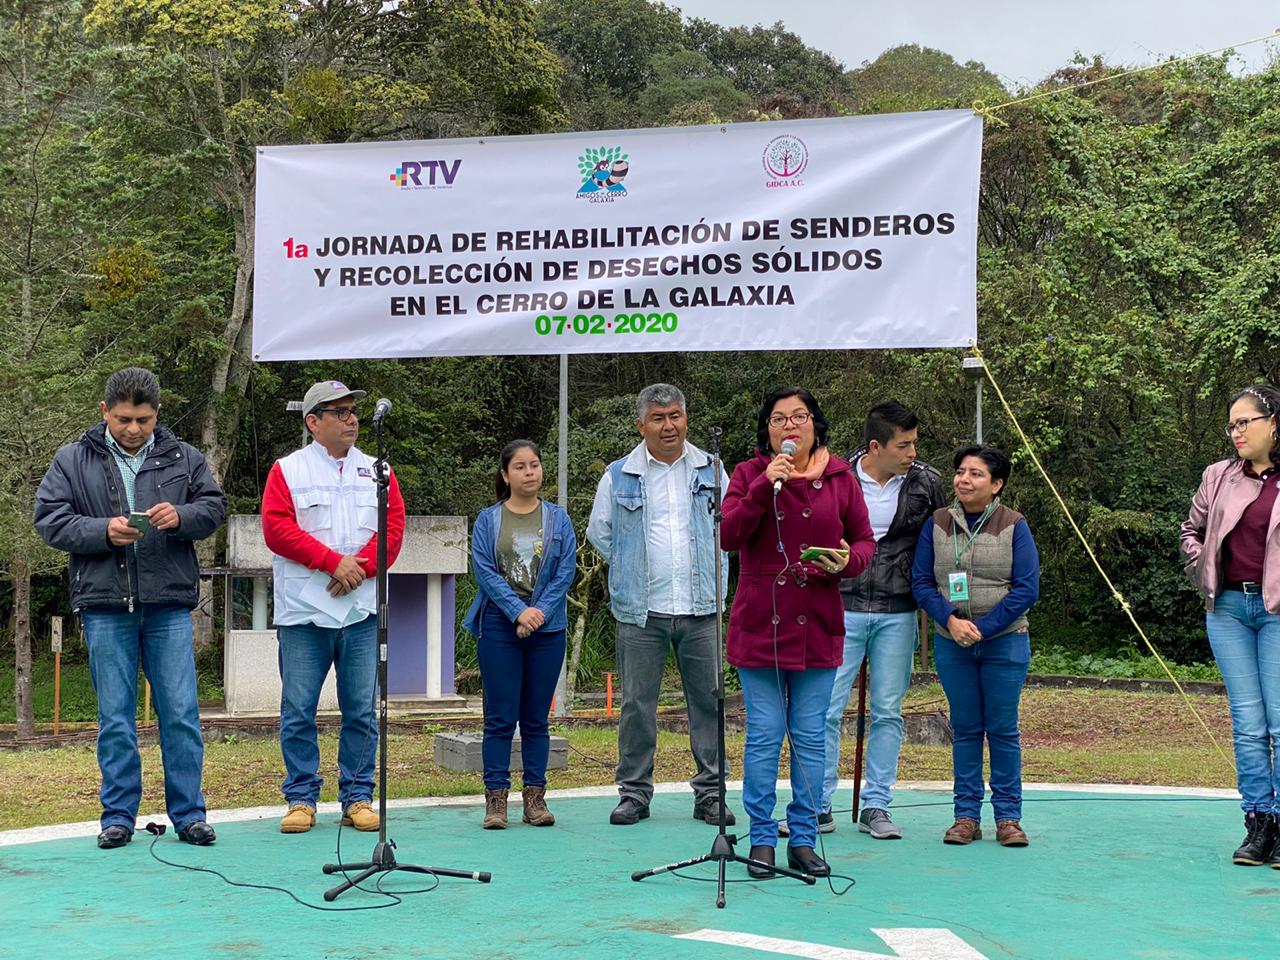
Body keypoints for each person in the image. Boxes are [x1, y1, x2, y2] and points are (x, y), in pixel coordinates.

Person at [35, 367, 227, 849]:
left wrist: (181, 516)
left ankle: (190, 815)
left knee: (180, 713)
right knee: (115, 717)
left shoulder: (185, 457)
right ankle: (117, 816)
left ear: (156, 414)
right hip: (103, 606)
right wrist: (102, 532)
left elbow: (213, 508)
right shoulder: (72, 459)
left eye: (143, 419)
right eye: (123, 419)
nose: (134, 428)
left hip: (167, 607)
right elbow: (50, 521)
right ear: (104, 412)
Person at [721, 387, 875, 878]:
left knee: (810, 736)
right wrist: (760, 488)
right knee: (765, 734)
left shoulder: (841, 477)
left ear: (815, 424)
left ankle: (804, 838)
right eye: (778, 419)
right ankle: (763, 838)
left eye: (800, 417)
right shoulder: (750, 475)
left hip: (819, 620)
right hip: (759, 622)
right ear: (767, 430)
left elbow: (866, 543)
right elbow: (728, 536)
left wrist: (846, 561)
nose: (790, 426)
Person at [261, 380, 405, 835]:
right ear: (313, 422)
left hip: (360, 613)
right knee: (299, 709)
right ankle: (301, 798)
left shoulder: (378, 469)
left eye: (353, 411)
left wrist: (357, 569)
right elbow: (277, 529)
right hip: (304, 613)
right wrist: (331, 563)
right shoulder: (287, 470)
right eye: (339, 412)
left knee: (361, 709)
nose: (352, 419)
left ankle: (358, 795)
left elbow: (394, 527)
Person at [587, 383, 734, 827]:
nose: (668, 425)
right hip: (640, 611)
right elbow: (601, 534)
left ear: (685, 419)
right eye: (658, 417)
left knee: (709, 700)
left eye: (675, 416)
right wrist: (633, 568)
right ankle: (634, 793)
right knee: (636, 704)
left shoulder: (713, 470)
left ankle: (711, 793)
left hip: (701, 606)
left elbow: (732, 529)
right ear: (641, 425)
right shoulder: (619, 475)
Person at [808, 401, 945, 840]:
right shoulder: (833, 476)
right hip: (839, 605)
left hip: (898, 609)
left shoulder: (928, 484)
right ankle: (817, 805)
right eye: (903, 445)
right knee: (826, 709)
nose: (911, 453)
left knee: (888, 711)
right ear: (875, 446)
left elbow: (944, 542)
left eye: (914, 443)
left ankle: (877, 804)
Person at [912, 445, 1040, 847]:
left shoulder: (1014, 524)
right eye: (961, 472)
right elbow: (921, 582)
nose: (964, 480)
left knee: (1002, 729)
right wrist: (950, 620)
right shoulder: (936, 523)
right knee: (965, 729)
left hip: (1005, 643)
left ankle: (1008, 818)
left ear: (997, 484)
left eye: (976, 474)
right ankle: (965, 816)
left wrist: (983, 628)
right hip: (952, 644)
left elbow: (1026, 588)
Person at [1180, 384, 1280, 867]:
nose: (1236, 431)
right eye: (1232, 424)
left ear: (1273, 423)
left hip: (1278, 611)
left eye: (1246, 422)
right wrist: (1203, 570)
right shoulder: (1218, 475)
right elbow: (1191, 531)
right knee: (1247, 724)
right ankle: (1258, 823)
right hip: (1228, 612)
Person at [464, 440, 577, 829]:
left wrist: (540, 612)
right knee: (499, 717)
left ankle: (535, 799)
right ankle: (496, 801)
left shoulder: (559, 519)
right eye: (521, 467)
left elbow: (565, 571)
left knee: (535, 719)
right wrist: (518, 611)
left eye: (535, 465)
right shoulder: (488, 520)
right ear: (505, 474)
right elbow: (485, 572)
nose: (530, 472)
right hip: (499, 626)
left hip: (549, 628)